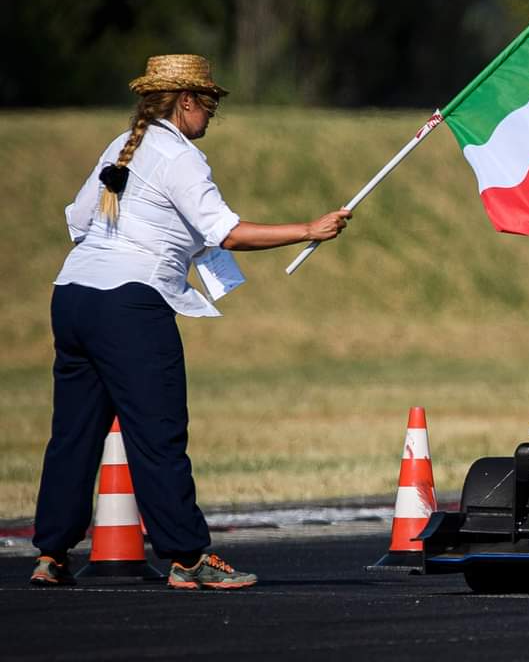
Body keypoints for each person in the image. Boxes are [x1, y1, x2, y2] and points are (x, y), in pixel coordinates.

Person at [30, 54, 352, 590]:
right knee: (158, 434)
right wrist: (307, 229)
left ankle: (50, 554)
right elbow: (225, 231)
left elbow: (79, 219)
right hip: (129, 305)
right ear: (186, 102)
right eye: (210, 104)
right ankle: (187, 557)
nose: (211, 116)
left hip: (72, 297)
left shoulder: (122, 145)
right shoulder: (180, 157)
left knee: (73, 434)